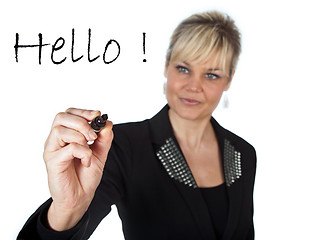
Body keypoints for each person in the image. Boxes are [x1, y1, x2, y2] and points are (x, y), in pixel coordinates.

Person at [17, 10, 256, 240]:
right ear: (166, 66)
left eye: (212, 75)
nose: (193, 86)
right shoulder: (123, 145)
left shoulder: (244, 154)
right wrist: (67, 210)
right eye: (183, 69)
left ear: (229, 79)